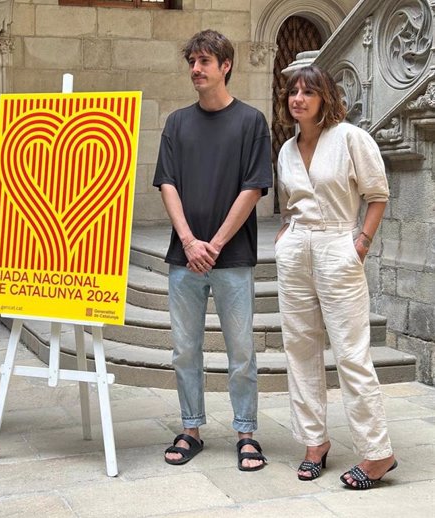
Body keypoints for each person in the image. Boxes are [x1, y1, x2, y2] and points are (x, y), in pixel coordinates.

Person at [153, 30, 273, 470]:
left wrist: (216, 243)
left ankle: (246, 432)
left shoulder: (251, 122)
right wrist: (188, 241)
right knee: (185, 349)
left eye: (205, 61)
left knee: (241, 350)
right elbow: (167, 183)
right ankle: (191, 428)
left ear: (226, 66)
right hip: (184, 258)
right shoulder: (177, 123)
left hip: (233, 258)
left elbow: (254, 187)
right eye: (192, 61)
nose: (196, 69)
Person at [275, 65, 397, 489]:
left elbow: (377, 195)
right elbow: (291, 203)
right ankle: (314, 443)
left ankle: (378, 453)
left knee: (350, 352)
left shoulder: (350, 138)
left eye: (309, 92)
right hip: (296, 251)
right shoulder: (286, 151)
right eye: (293, 91)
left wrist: (360, 243)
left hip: (337, 245)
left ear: (325, 97)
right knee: (300, 349)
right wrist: (288, 237)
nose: (299, 99)